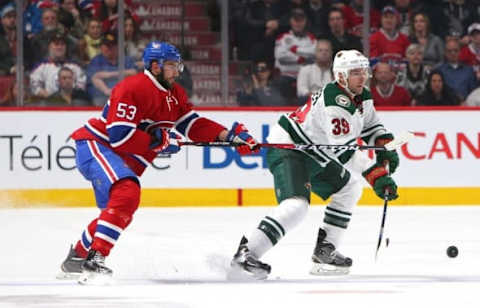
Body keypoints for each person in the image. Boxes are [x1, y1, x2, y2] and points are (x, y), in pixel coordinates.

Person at [58, 41, 260, 284]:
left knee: (118, 210)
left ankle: (76, 259)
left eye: (177, 65)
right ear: (155, 66)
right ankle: (94, 260)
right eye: (172, 66)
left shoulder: (174, 94)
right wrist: (159, 141)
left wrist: (230, 137)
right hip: (96, 146)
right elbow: (119, 136)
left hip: (119, 157)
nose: (176, 71)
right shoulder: (132, 88)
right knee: (127, 193)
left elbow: (193, 125)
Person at [231, 50, 399, 279]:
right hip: (290, 147)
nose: (363, 77)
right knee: (296, 206)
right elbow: (344, 150)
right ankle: (246, 253)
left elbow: (370, 125)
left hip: (316, 152)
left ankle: (325, 251)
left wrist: (383, 143)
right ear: (341, 76)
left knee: (349, 188)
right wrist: (376, 174)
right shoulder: (335, 101)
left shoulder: (362, 95)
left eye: (364, 71)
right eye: (356, 72)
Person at [296, 39, 333, 104]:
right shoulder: (305, 69)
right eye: (320, 50)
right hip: (309, 104)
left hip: (331, 104)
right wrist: (317, 98)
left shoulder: (336, 71)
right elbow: (301, 91)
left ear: (331, 53)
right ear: (315, 53)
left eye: (327, 50)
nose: (324, 53)